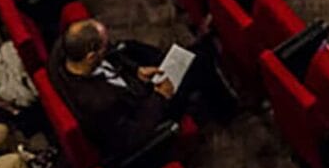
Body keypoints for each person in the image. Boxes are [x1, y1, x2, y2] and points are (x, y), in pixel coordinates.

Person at [48, 17, 212, 154]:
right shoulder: (100, 103)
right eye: (105, 45)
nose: (109, 45)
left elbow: (111, 56)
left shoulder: (63, 51)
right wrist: (160, 97)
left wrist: (136, 70)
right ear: (91, 57)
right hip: (145, 110)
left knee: (142, 50)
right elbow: (132, 136)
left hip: (133, 83)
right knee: (199, 63)